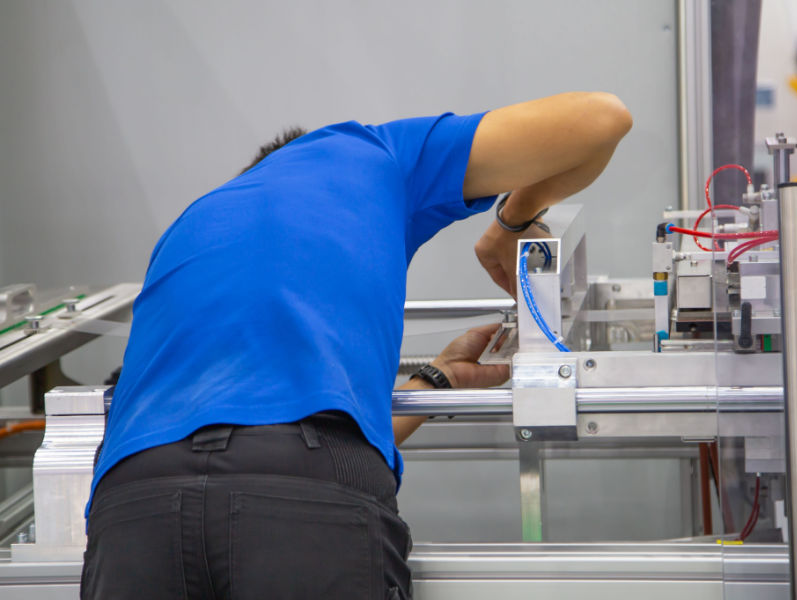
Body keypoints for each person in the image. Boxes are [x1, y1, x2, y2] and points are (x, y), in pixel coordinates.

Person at [80, 91, 632, 599]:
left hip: (133, 506)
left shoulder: (191, 222)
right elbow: (603, 120)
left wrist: (435, 380)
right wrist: (509, 223)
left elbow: (234, 448)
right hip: (307, 504)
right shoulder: (374, 153)